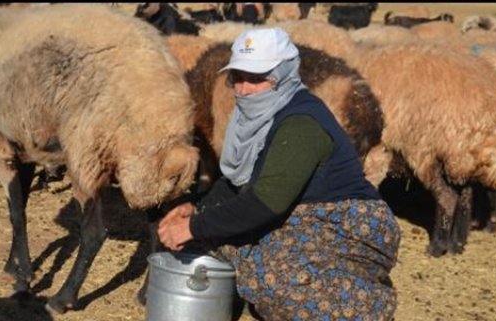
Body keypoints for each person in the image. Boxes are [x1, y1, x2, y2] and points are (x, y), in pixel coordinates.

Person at [158, 28, 401, 321]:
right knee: (226, 247)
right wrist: (197, 208)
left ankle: (368, 306)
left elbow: (264, 203)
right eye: (237, 78)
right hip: (300, 215)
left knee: (273, 276)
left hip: (347, 224)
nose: (244, 89)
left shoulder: (300, 124)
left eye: (257, 78)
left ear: (283, 75)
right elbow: (239, 182)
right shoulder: (252, 119)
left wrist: (194, 226)